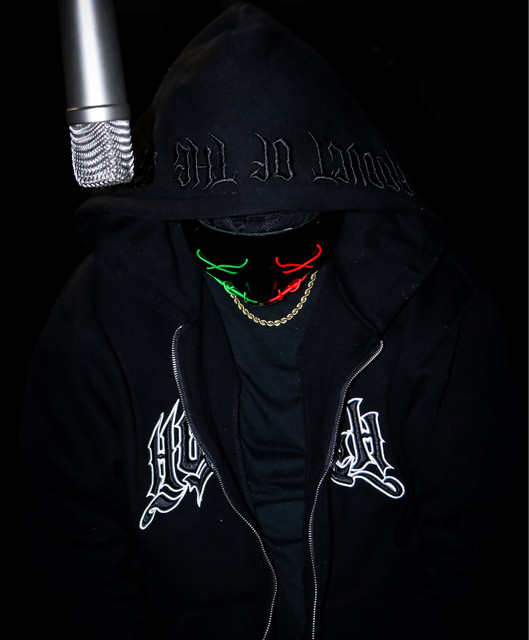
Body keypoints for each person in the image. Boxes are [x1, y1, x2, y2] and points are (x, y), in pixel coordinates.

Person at [18, 3, 523, 639]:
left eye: (292, 252)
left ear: (335, 210)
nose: (263, 282)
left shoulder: (434, 305)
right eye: (227, 253)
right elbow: (65, 529)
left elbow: (482, 530)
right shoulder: (100, 315)